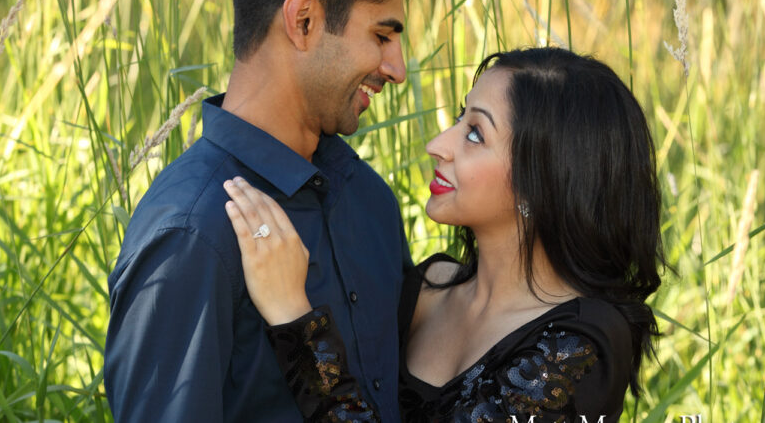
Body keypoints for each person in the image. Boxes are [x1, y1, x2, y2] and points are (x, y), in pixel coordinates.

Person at [222, 47, 667, 422]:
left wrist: (294, 317)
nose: (439, 144)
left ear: (543, 181)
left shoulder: (582, 343)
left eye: (474, 133)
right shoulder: (426, 288)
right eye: (459, 117)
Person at [104, 0, 425, 421]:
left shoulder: (371, 202)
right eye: (381, 35)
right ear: (303, 20)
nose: (397, 68)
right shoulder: (193, 233)